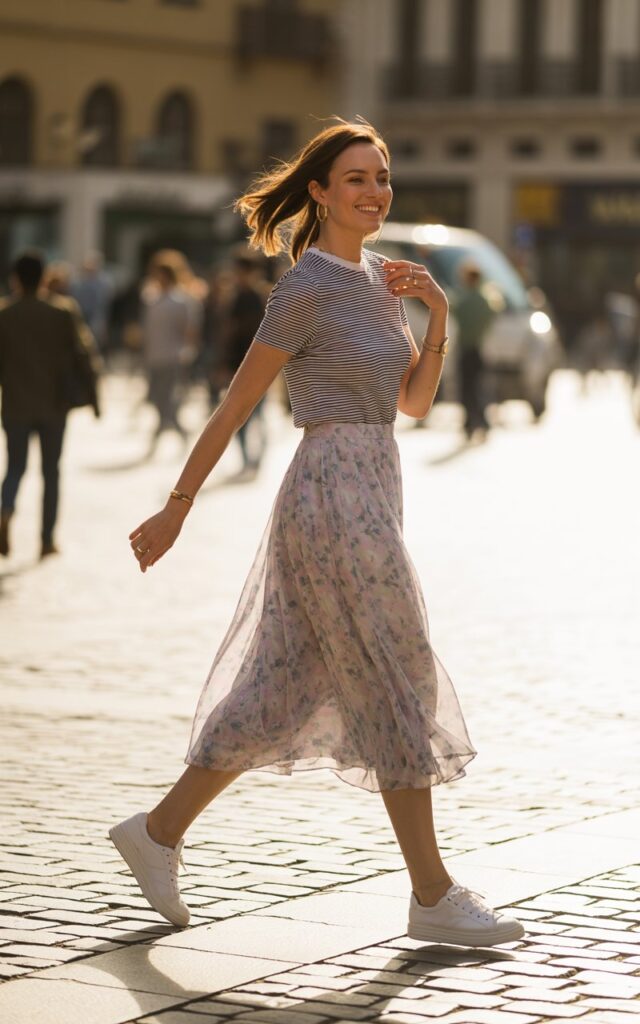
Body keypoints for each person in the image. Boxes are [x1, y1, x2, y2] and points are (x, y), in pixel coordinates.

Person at [108, 120, 525, 948]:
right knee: (398, 669)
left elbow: (411, 403)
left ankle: (155, 834)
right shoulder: (305, 288)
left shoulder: (381, 279)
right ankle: (433, 893)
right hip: (331, 491)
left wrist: (435, 312)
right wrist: (178, 505)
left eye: (383, 177)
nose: (375, 192)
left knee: (282, 684)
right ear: (322, 193)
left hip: (375, 478)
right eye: (358, 179)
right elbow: (235, 402)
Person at [0, 252, 77, 558]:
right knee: (51, 472)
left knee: (15, 467)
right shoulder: (62, 311)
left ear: (15, 279)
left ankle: (5, 511)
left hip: (16, 403)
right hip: (53, 404)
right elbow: (79, 355)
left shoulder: (5, 314)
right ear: (44, 277)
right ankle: (46, 540)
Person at [222, 254, 269, 473]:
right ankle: (251, 458)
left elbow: (232, 332)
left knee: (250, 414)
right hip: (244, 364)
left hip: (254, 364)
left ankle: (254, 457)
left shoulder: (256, 297)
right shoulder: (250, 296)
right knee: (250, 416)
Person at [141, 261, 191, 452]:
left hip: (172, 357)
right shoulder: (151, 300)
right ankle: (168, 430)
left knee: (166, 399)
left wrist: (186, 353)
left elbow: (187, 330)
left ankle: (171, 433)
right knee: (155, 398)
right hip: (154, 356)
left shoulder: (179, 301)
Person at [450, 261, 497, 440]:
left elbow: (453, 310)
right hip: (479, 348)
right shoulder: (487, 300)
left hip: (466, 348)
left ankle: (470, 424)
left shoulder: (464, 299)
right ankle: (483, 422)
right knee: (479, 388)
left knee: (466, 389)